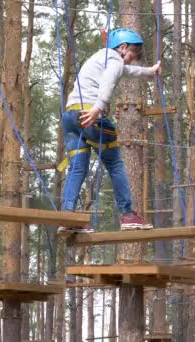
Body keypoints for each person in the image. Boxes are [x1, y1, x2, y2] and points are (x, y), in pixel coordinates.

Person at [58, 28, 160, 233]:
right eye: (132, 55)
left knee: (77, 167)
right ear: (122, 48)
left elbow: (128, 71)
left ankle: (67, 216)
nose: (131, 61)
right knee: (114, 164)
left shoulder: (101, 58)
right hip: (89, 115)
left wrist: (150, 71)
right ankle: (128, 214)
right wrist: (98, 108)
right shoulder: (113, 60)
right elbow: (111, 78)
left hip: (70, 117)